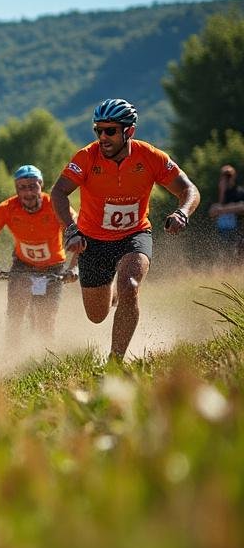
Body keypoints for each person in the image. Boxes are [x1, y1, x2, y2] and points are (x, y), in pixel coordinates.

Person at [50, 99, 199, 366]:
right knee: (97, 315)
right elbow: (59, 192)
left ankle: (115, 362)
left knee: (130, 286)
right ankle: (115, 292)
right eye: (98, 130)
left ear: (129, 131)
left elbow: (189, 190)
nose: (103, 137)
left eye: (110, 131)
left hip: (134, 235)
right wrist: (71, 230)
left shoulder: (151, 157)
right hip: (92, 241)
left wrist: (182, 212)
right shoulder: (86, 157)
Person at [0, 165, 74, 339]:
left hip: (54, 267)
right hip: (23, 265)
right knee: (15, 315)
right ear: (16, 189)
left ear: (41, 185)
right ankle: (12, 353)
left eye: (32, 186)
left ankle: (46, 357)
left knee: (47, 319)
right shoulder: (7, 208)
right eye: (22, 188)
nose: (28, 193)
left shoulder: (55, 205)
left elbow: (79, 233)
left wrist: (74, 268)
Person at [209, 164, 244, 259]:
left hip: (236, 230)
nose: (227, 178)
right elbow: (212, 212)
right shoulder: (220, 193)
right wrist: (222, 191)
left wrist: (222, 209)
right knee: (223, 255)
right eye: (225, 176)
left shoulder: (239, 192)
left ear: (234, 176)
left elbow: (242, 207)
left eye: (229, 176)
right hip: (222, 231)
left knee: (237, 254)